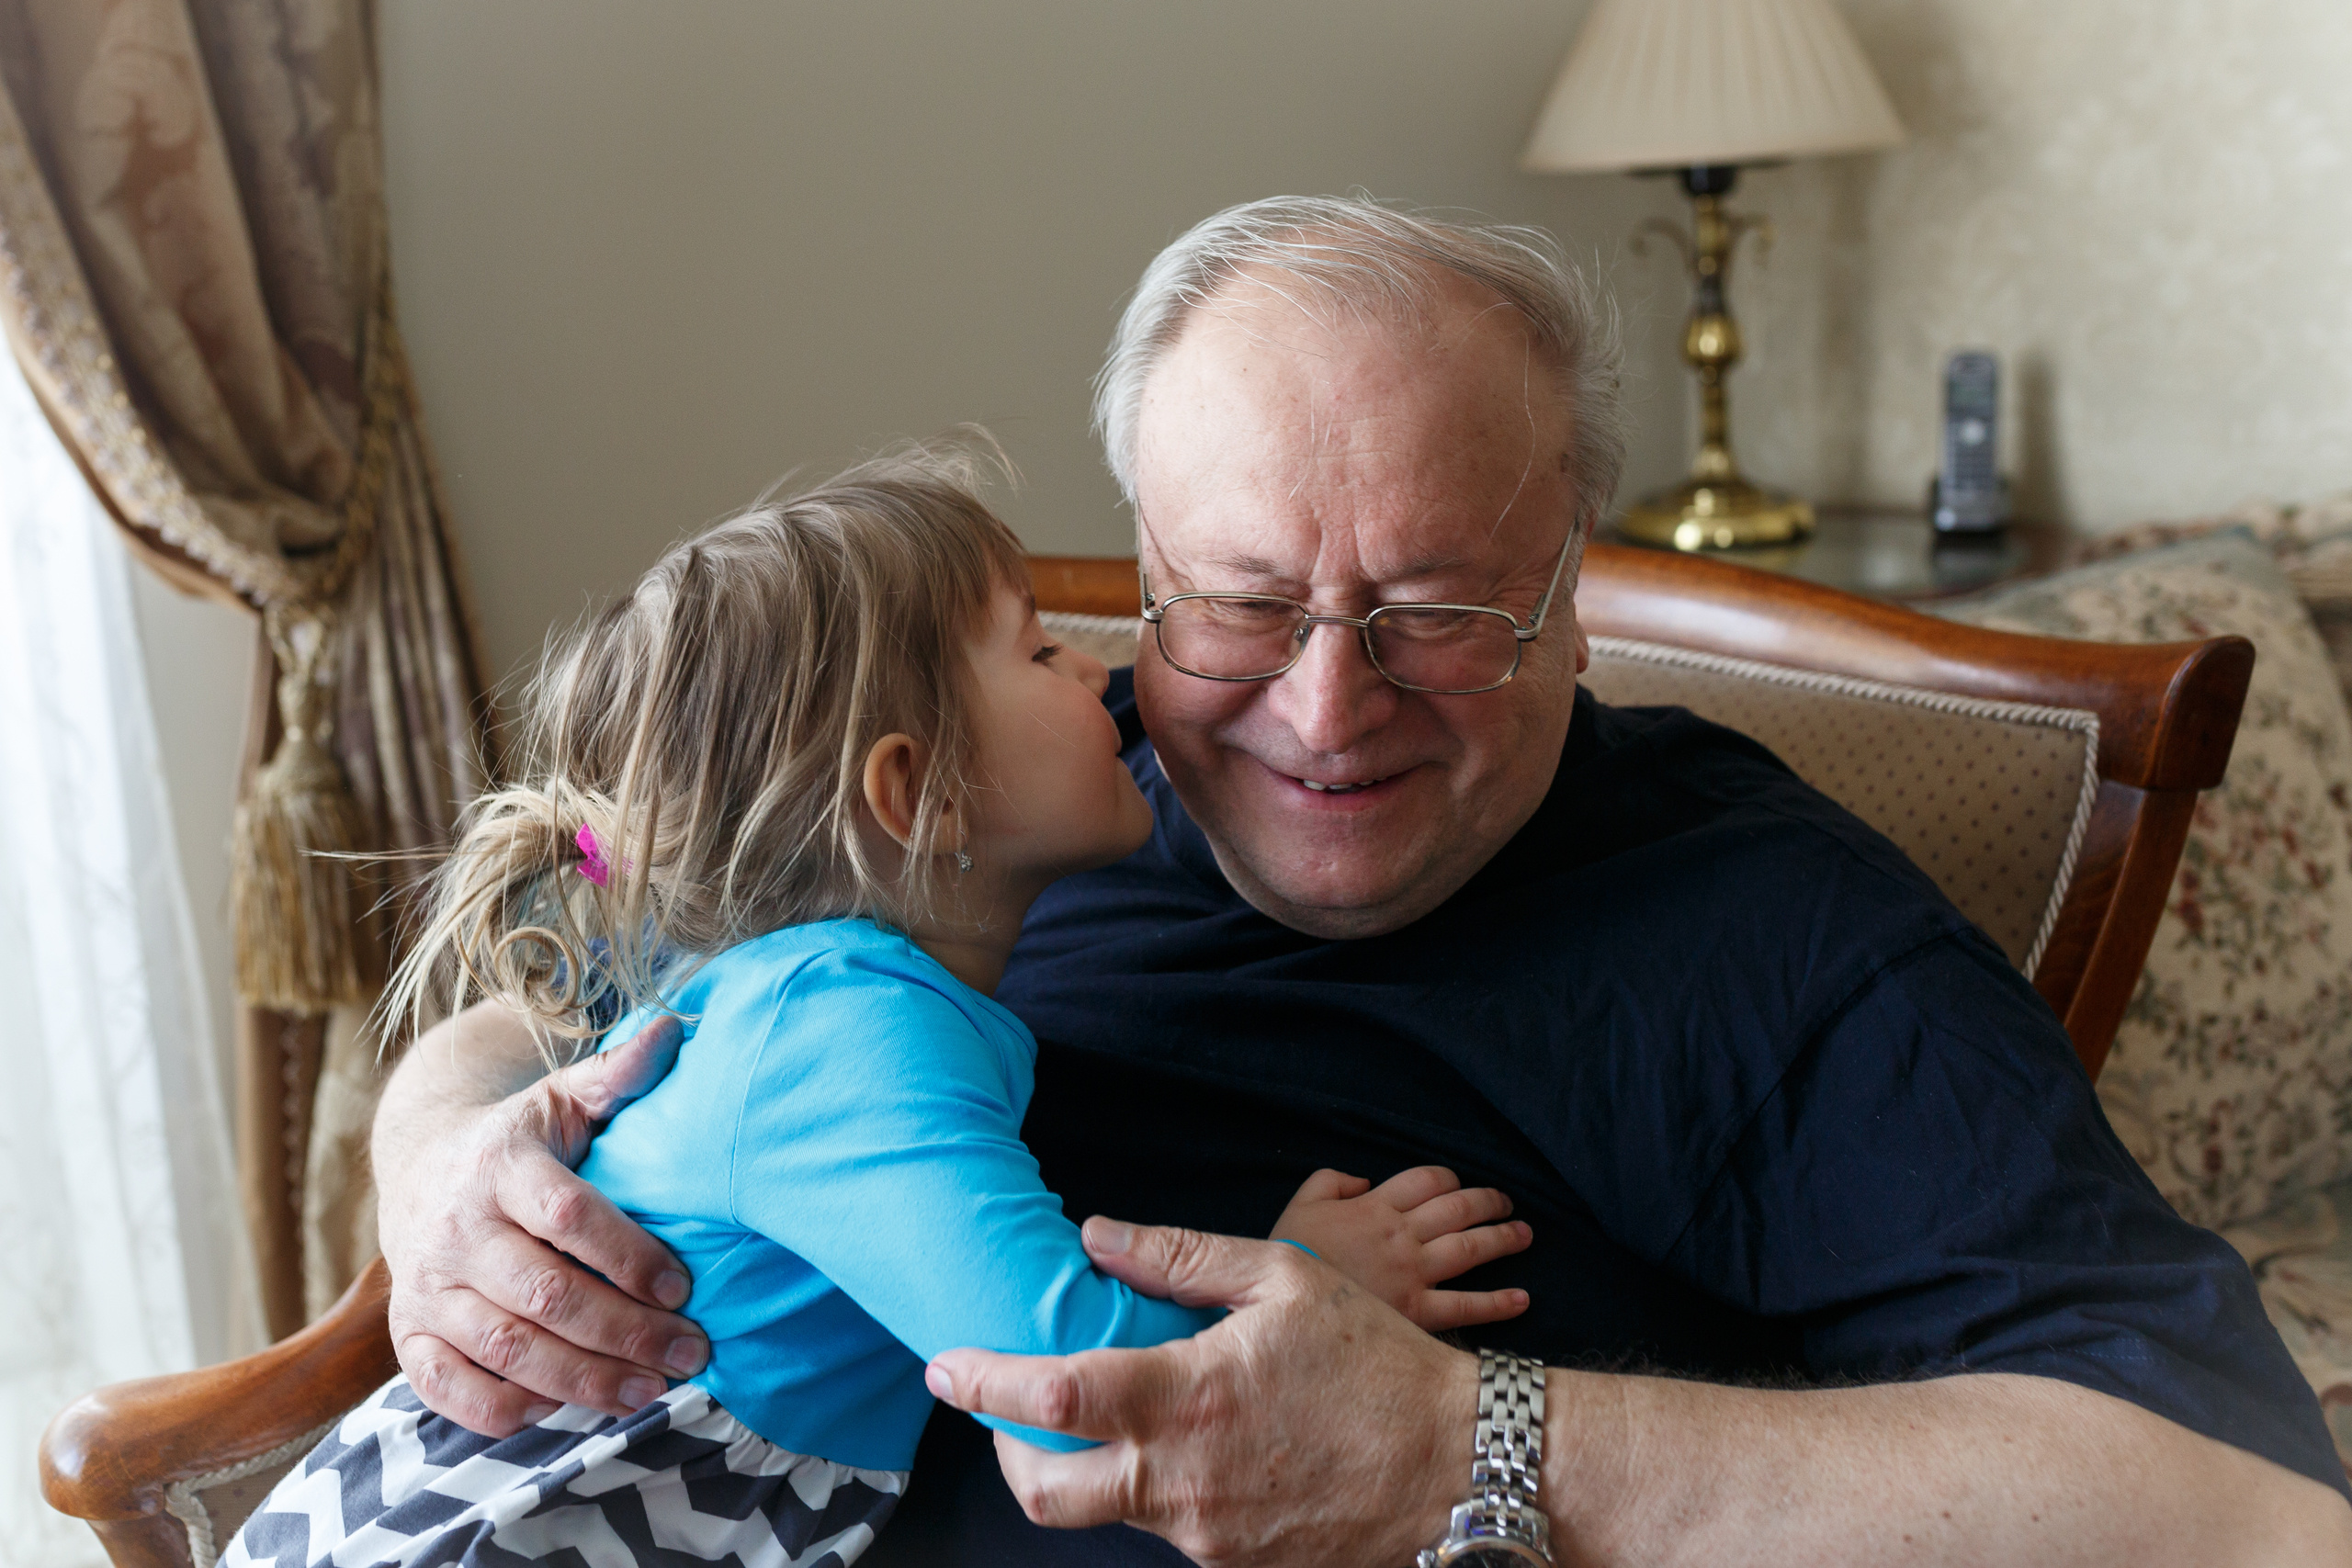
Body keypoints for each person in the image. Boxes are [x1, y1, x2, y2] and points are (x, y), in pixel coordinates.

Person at [371, 199, 2352, 1565]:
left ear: (1571, 593)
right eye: (1240, 604)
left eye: (1437, 610)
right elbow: (615, 986)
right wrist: (447, 1151)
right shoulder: (999, 816)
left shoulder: (1776, 934)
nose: (1323, 712)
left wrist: (1471, 1447)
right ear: (1145, 572)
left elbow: (2261, 1513)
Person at [227, 448, 1532, 1567]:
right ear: (918, 795)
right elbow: (1065, 1386)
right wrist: (1306, 1286)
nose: (1095, 673)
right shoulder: (842, 1032)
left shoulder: (786, 992)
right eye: (1037, 650)